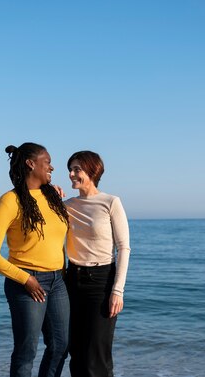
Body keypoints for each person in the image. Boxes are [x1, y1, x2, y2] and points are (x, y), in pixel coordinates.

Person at [0, 143, 70, 377]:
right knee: (26, 352)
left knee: (61, 346)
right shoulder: (9, 201)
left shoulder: (52, 196)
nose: (52, 166)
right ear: (31, 164)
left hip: (58, 281)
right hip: (27, 283)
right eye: (47, 161)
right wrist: (25, 279)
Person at [64, 150, 131, 377]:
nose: (71, 174)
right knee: (76, 351)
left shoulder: (110, 202)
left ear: (93, 171)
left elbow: (124, 247)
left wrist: (117, 290)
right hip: (71, 280)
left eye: (77, 169)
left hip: (101, 282)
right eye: (70, 170)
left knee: (97, 355)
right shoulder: (66, 205)